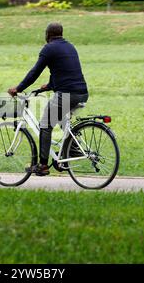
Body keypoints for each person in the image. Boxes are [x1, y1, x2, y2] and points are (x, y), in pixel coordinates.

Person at [8, 22, 89, 176]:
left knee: (45, 124)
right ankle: (72, 147)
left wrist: (18, 88)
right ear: (61, 34)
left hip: (67, 94)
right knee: (60, 116)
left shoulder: (48, 48)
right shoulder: (70, 46)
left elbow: (35, 72)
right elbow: (65, 72)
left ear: (47, 35)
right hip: (82, 92)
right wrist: (50, 85)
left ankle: (43, 165)